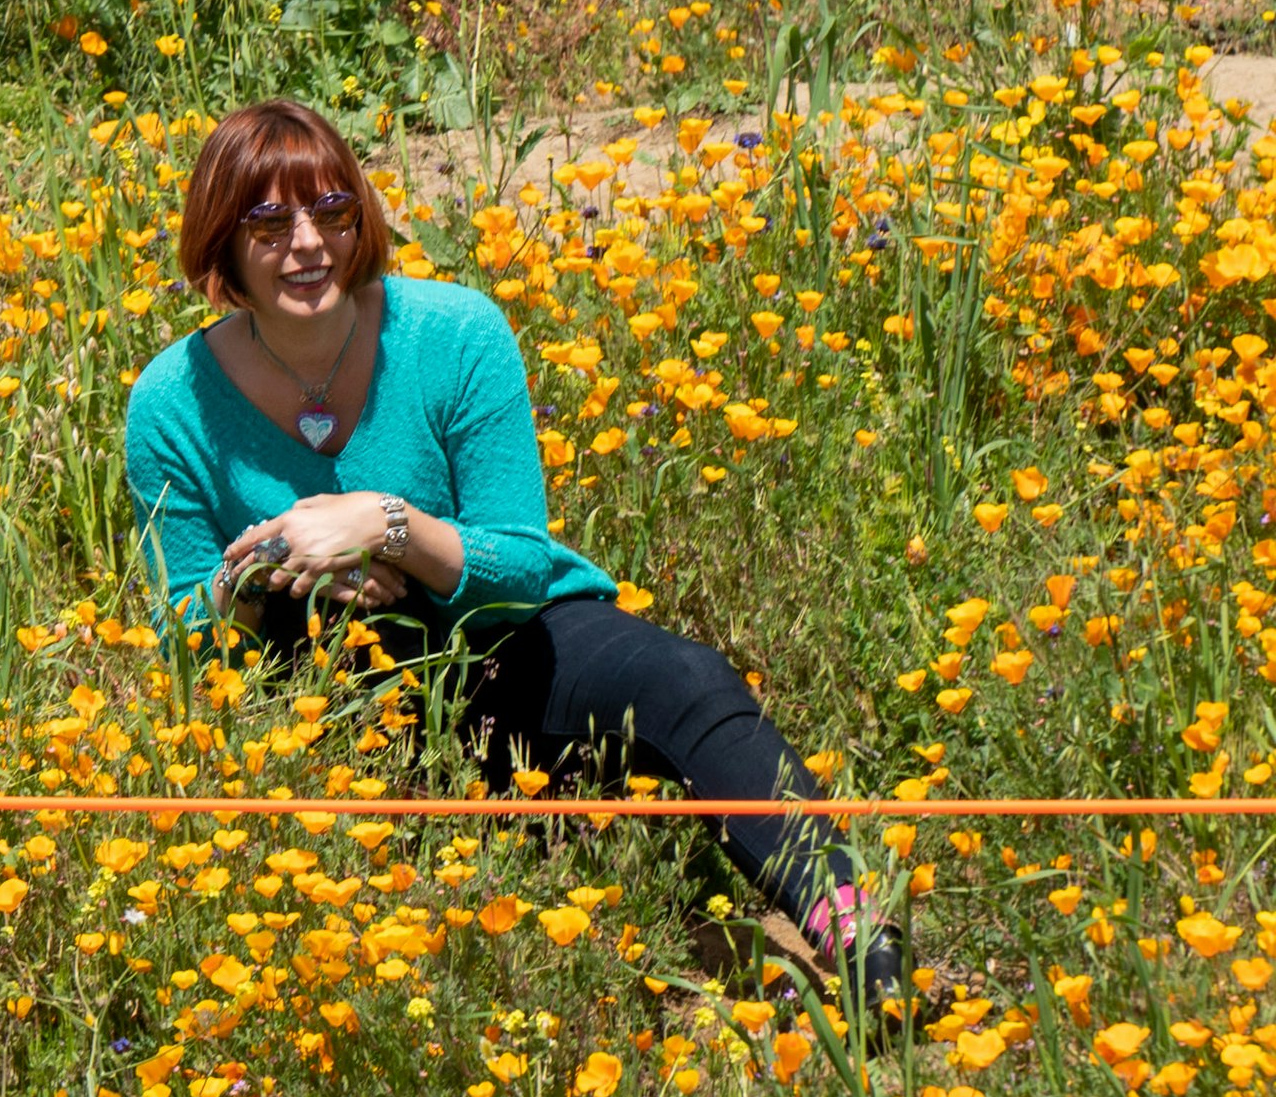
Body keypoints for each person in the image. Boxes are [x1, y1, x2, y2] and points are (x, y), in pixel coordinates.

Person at [120, 98, 913, 1017]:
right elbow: (184, 627)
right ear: (220, 246)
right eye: (270, 223)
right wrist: (272, 576)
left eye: (333, 212)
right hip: (333, 694)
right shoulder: (172, 404)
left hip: (513, 637)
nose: (308, 245)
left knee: (684, 681)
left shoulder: (455, 334)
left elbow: (518, 562)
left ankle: (857, 931)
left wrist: (385, 527)